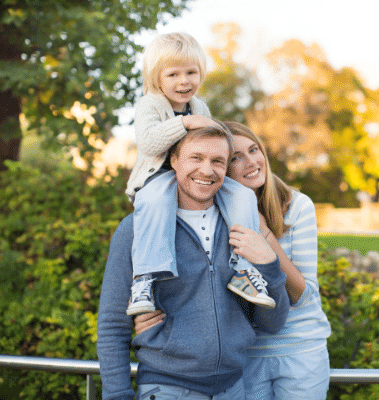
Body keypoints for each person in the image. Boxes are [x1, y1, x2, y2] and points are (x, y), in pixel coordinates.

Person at [136, 122, 332, 399]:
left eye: (254, 150)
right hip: (245, 355)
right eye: (236, 158)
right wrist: (155, 322)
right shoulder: (211, 212)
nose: (251, 162)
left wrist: (262, 234)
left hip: (298, 349)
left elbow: (302, 294)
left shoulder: (297, 206)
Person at [97, 124, 290, 400]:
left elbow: (273, 322)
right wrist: (117, 396)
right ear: (174, 161)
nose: (207, 170)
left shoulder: (242, 229)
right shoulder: (136, 229)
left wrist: (269, 265)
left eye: (217, 161)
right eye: (196, 158)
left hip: (234, 389)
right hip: (166, 389)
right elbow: (112, 326)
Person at [125, 32, 275, 316]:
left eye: (191, 72)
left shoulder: (200, 106)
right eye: (173, 74)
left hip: (193, 176)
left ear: (201, 73)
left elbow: (213, 140)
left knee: (242, 196)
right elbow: (148, 142)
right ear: (157, 78)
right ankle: (144, 278)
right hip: (158, 177)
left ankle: (243, 270)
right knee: (156, 201)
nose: (184, 81)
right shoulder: (151, 104)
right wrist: (187, 123)